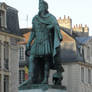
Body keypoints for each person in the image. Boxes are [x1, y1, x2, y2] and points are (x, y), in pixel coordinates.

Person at [26, 0, 63, 84]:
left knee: (46, 60)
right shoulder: (35, 18)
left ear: (46, 7)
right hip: (37, 41)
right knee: (32, 57)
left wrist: (51, 26)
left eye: (41, 6)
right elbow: (33, 31)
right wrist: (29, 42)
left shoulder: (51, 17)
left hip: (46, 40)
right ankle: (31, 78)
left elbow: (56, 26)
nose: (39, 8)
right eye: (39, 6)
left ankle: (45, 79)